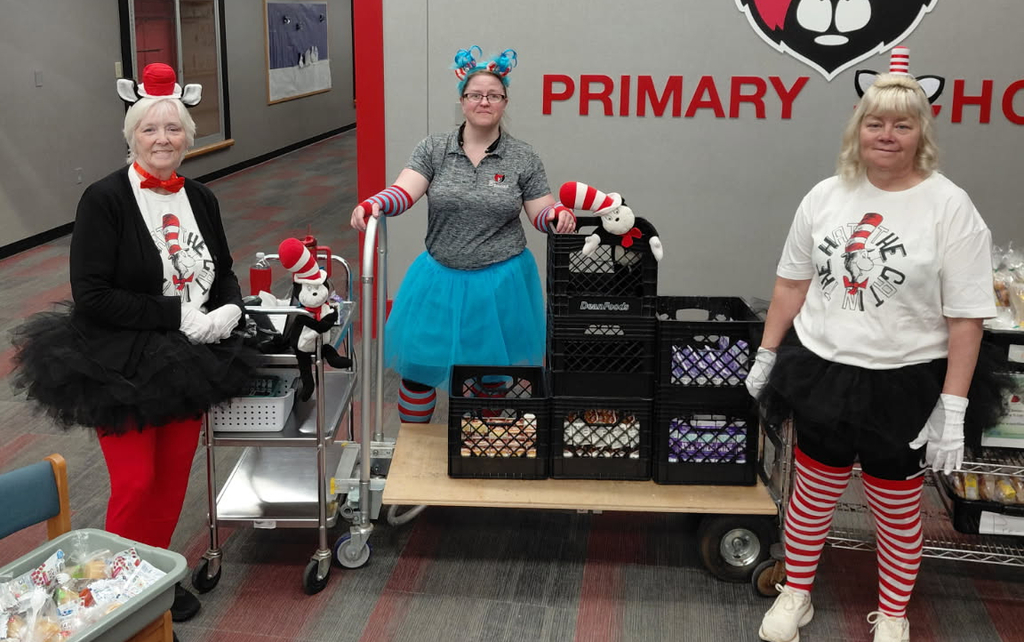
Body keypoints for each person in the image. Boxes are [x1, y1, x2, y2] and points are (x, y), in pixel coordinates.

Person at [746, 48, 1013, 642]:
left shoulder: (950, 207)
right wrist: (768, 352)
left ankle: (892, 612)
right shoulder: (824, 196)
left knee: (895, 506)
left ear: (922, 131)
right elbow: (792, 283)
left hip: (905, 379)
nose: (886, 135)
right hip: (823, 368)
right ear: (857, 129)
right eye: (875, 122)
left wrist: (953, 407)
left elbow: (968, 317)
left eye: (901, 123)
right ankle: (796, 593)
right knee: (812, 493)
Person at [11, 63, 256, 625]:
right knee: (136, 482)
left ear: (188, 139)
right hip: (118, 359)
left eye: (173, 130)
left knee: (171, 484)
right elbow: (91, 294)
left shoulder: (203, 197)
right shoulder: (104, 200)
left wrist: (229, 308)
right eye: (150, 129)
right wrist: (176, 314)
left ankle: (156, 580)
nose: (163, 139)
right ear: (132, 136)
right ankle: (110, 589)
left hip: (192, 359)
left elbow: (222, 269)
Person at [350, 46, 576, 422]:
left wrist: (557, 216)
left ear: (505, 102)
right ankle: (414, 460)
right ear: (462, 101)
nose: (484, 101)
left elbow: (541, 210)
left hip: (500, 282)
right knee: (418, 371)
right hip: (440, 278)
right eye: (475, 94)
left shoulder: (523, 157)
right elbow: (404, 190)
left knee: (490, 377)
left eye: (493, 95)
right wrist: (376, 203)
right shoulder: (434, 149)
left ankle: (483, 454)